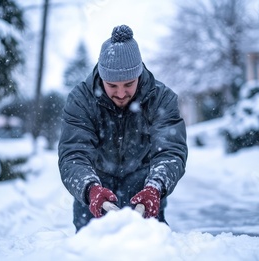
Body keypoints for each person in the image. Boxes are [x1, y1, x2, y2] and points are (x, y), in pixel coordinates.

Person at [58, 24, 188, 232]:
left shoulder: (161, 99)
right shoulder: (80, 100)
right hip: (95, 187)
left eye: (128, 84)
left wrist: (155, 187)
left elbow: (170, 151)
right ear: (101, 78)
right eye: (112, 85)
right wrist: (90, 189)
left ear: (139, 75)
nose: (120, 94)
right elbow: (74, 153)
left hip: (143, 188)